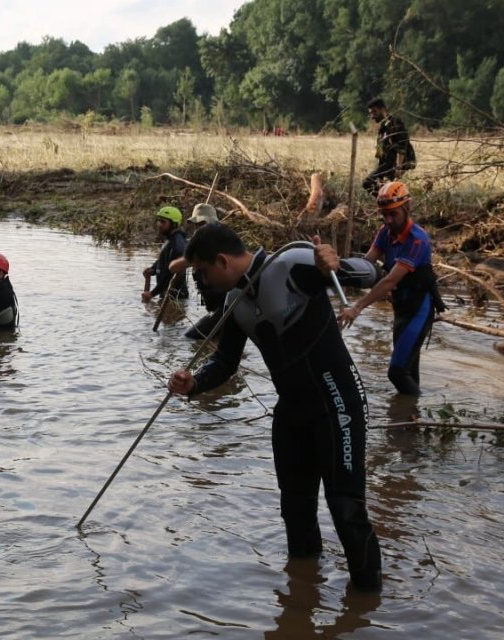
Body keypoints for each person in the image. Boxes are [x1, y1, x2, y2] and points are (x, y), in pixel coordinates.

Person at [167, 223, 382, 591]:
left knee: (346, 511)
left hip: (338, 405)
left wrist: (335, 262)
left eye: (202, 272)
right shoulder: (235, 302)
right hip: (292, 415)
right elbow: (225, 363)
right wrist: (195, 384)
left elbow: (369, 273)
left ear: (221, 260)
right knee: (295, 513)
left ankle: (365, 608)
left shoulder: (292, 263)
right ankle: (301, 598)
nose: (202, 282)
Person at [339, 181, 445, 396]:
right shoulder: (385, 233)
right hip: (400, 308)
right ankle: (409, 419)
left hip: (419, 310)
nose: (388, 220)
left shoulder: (417, 240)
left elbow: (389, 281)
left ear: (407, 208)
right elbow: (368, 264)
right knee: (408, 371)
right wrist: (337, 271)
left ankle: (419, 416)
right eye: (384, 214)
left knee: (396, 372)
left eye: (393, 214)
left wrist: (357, 308)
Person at [178, 203, 228, 339]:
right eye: (197, 225)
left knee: (190, 337)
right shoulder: (204, 240)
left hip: (227, 308)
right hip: (220, 308)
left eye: (201, 224)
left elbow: (179, 265)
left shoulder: (216, 241)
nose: (197, 228)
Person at [362, 98, 415, 195]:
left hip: (394, 163)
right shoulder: (383, 127)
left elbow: (402, 145)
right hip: (387, 163)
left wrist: (399, 167)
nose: (372, 116)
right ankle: (389, 202)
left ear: (383, 109)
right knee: (385, 187)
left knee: (368, 182)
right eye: (370, 113)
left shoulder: (394, 123)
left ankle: (388, 200)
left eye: (374, 112)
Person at [141, 206, 189, 303]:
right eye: (158, 221)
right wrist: (153, 269)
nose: (159, 224)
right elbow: (164, 260)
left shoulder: (177, 244)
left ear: (174, 224)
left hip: (175, 299)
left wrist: (152, 294)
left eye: (163, 222)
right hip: (167, 297)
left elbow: (171, 275)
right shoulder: (170, 239)